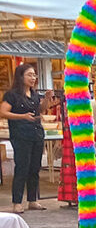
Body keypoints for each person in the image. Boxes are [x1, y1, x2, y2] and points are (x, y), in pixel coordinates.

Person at [1, 63, 57, 213]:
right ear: (21, 77)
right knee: (22, 167)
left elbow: (41, 109)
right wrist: (22, 116)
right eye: (30, 75)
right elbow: (3, 112)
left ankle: (32, 200)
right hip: (21, 135)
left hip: (36, 134)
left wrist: (46, 99)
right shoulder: (12, 95)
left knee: (34, 168)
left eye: (34, 75)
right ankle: (17, 202)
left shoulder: (33, 94)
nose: (33, 78)